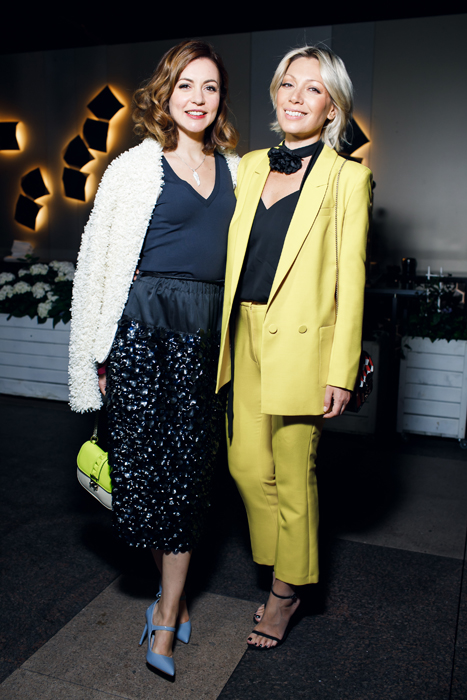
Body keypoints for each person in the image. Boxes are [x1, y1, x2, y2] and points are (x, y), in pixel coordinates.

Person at [69, 40, 239, 676]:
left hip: (205, 341)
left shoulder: (239, 171)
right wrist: (98, 352)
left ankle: (165, 617)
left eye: (210, 87)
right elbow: (97, 263)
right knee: (142, 482)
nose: (198, 98)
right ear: (165, 93)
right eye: (186, 85)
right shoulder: (133, 168)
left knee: (189, 482)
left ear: (221, 99)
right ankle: (175, 598)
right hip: (140, 335)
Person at [216, 45, 372, 649]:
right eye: (288, 83)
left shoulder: (348, 178)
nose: (296, 96)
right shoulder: (250, 165)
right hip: (244, 332)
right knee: (245, 467)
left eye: (313, 88)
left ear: (332, 107)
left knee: (293, 471)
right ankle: (286, 566)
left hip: (305, 344)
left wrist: (342, 371)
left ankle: (285, 593)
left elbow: (351, 281)